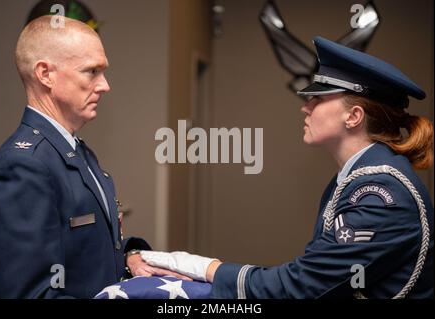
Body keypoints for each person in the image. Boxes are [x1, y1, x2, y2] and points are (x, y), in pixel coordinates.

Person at [140, 36, 434, 299]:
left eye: (318, 99)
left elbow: (304, 286)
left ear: (354, 116)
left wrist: (206, 268)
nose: (305, 107)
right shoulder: (358, 177)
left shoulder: (380, 192)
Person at [0, 16, 187, 299]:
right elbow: (30, 294)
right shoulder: (24, 165)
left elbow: (79, 251)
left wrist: (129, 257)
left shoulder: (74, 149)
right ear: (46, 74)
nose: (105, 85)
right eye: (91, 72)